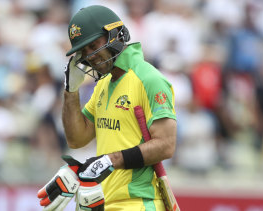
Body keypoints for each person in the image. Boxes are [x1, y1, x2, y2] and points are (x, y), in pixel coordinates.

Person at [37, 5, 177, 211]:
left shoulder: (149, 79)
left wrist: (110, 160)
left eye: (93, 45)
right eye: (83, 51)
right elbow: (77, 139)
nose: (89, 56)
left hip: (139, 203)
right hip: (105, 202)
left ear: (115, 35)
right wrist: (71, 91)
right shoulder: (103, 84)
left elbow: (166, 145)